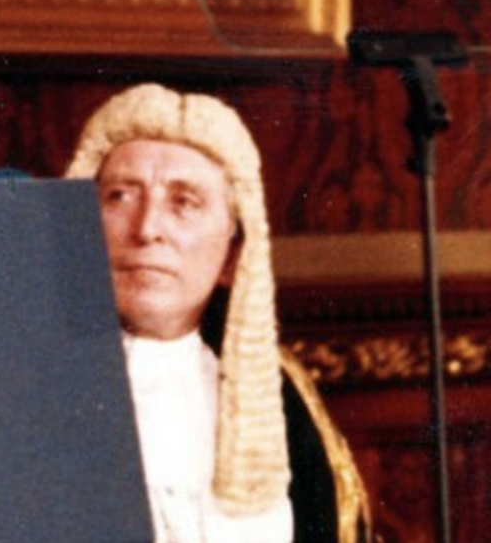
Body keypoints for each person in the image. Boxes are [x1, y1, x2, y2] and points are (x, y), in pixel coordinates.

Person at [66, 83, 372, 543]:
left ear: (233, 253)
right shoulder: (12, 376)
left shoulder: (280, 396)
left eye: (184, 202)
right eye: (120, 196)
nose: (148, 229)